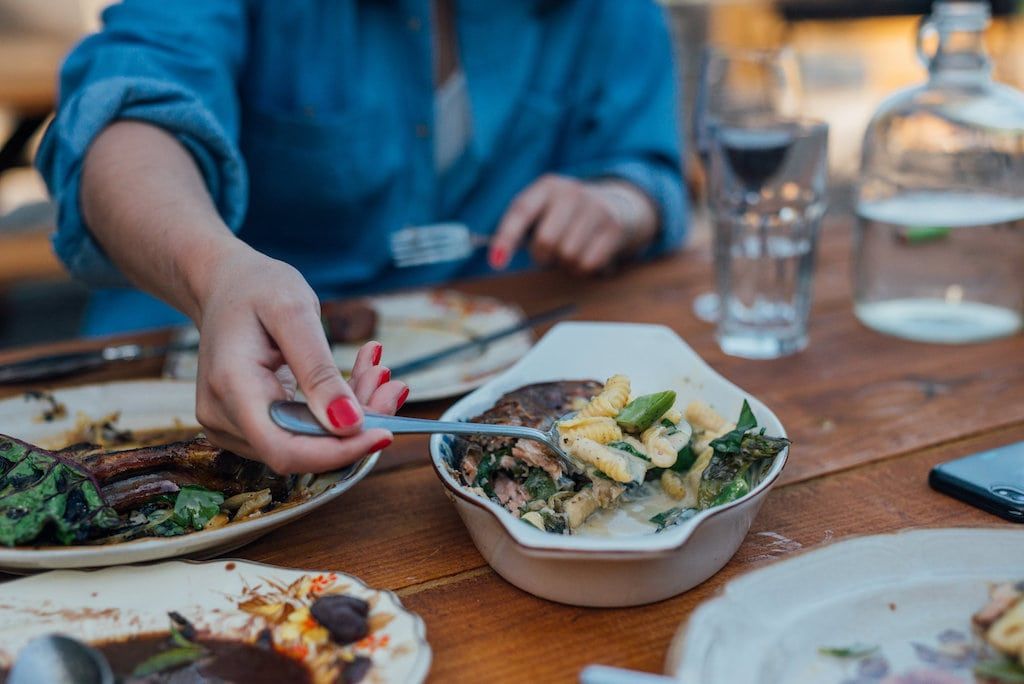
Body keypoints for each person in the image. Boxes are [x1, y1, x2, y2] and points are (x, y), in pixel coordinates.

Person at [36, 0, 687, 474]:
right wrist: (215, 272)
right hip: (198, 386)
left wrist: (620, 204)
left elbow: (655, 171)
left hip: (495, 402)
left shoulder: (613, 14)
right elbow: (125, 117)